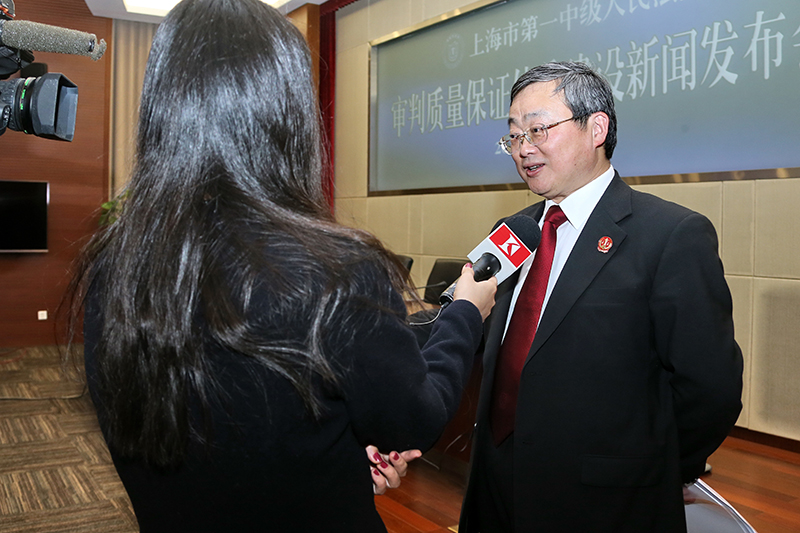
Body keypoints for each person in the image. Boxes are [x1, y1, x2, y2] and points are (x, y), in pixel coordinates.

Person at [64, 0, 496, 531]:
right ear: (287, 112)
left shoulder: (114, 267)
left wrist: (332, 458)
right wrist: (466, 313)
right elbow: (414, 421)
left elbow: (214, 443)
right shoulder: (335, 270)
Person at [455, 61, 744, 532]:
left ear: (596, 128)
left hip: (606, 501)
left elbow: (710, 388)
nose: (523, 148)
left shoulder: (670, 235)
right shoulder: (513, 232)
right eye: (514, 135)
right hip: (495, 483)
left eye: (538, 130)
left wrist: (652, 471)